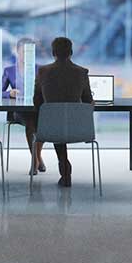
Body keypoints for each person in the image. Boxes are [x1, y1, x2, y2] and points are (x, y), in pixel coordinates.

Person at [33, 37, 93, 187]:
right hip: (77, 127)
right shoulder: (82, 72)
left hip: (50, 127)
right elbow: (87, 102)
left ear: (53, 52)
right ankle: (65, 167)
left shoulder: (43, 72)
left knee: (56, 121)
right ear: (71, 52)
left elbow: (37, 102)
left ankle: (64, 166)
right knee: (62, 120)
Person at [1, 38, 44, 174]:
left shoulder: (41, 70)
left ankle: (37, 158)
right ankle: (35, 160)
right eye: (24, 51)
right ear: (17, 51)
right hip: (18, 111)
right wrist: (10, 94)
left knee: (40, 120)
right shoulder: (9, 70)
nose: (27, 55)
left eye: (30, 52)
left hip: (37, 108)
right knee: (31, 121)